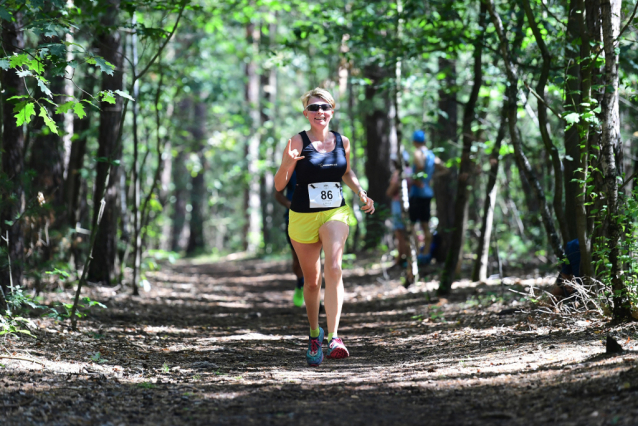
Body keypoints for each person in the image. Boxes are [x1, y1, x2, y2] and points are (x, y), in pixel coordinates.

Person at [274, 87, 375, 367]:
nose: (320, 112)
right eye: (314, 107)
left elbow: (346, 171)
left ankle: (334, 337)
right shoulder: (296, 141)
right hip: (303, 216)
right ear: (306, 112)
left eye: (325, 107)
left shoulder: (342, 141)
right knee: (312, 281)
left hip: (335, 213)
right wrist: (288, 164)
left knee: (334, 267)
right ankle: (314, 335)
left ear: (332, 111)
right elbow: (279, 185)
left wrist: (360, 192)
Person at [409, 130, 447, 255]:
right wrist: (431, 177)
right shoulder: (432, 155)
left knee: (413, 224)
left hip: (417, 193)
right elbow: (445, 169)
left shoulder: (418, 153)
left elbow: (419, 165)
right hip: (427, 193)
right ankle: (426, 252)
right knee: (425, 224)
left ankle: (418, 253)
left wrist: (416, 178)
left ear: (415, 142)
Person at [274, 170, 305, 307]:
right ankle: (300, 285)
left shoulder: (320, 162)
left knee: (315, 259)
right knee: (297, 261)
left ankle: (313, 293)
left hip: (317, 218)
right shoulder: (290, 168)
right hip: (293, 219)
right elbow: (278, 194)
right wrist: (290, 205)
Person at [386, 151, 411, 268]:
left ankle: (401, 258)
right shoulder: (411, 172)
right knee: (408, 232)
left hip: (398, 204)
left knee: (400, 232)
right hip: (409, 204)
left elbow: (390, 191)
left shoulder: (399, 174)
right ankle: (405, 257)